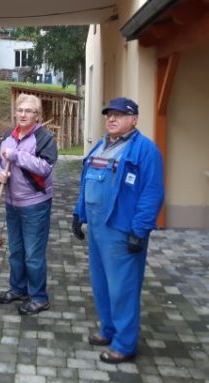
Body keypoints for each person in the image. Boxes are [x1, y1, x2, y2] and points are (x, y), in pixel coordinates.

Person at [72, 97, 164, 364]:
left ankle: (124, 344)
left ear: (133, 120)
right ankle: (108, 330)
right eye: (109, 115)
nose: (111, 119)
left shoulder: (145, 151)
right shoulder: (101, 146)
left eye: (119, 115)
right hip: (98, 228)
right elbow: (86, 181)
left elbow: (152, 193)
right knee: (101, 283)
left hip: (122, 229)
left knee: (123, 288)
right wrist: (79, 213)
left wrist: (140, 230)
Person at [0, 94, 58, 315]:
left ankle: (39, 297)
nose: (23, 114)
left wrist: (17, 156)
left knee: (33, 254)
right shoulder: (7, 136)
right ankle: (18, 289)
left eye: (28, 111)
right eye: (20, 109)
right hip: (12, 204)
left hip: (35, 205)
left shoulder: (44, 138)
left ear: (37, 116)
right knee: (16, 251)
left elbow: (45, 167)